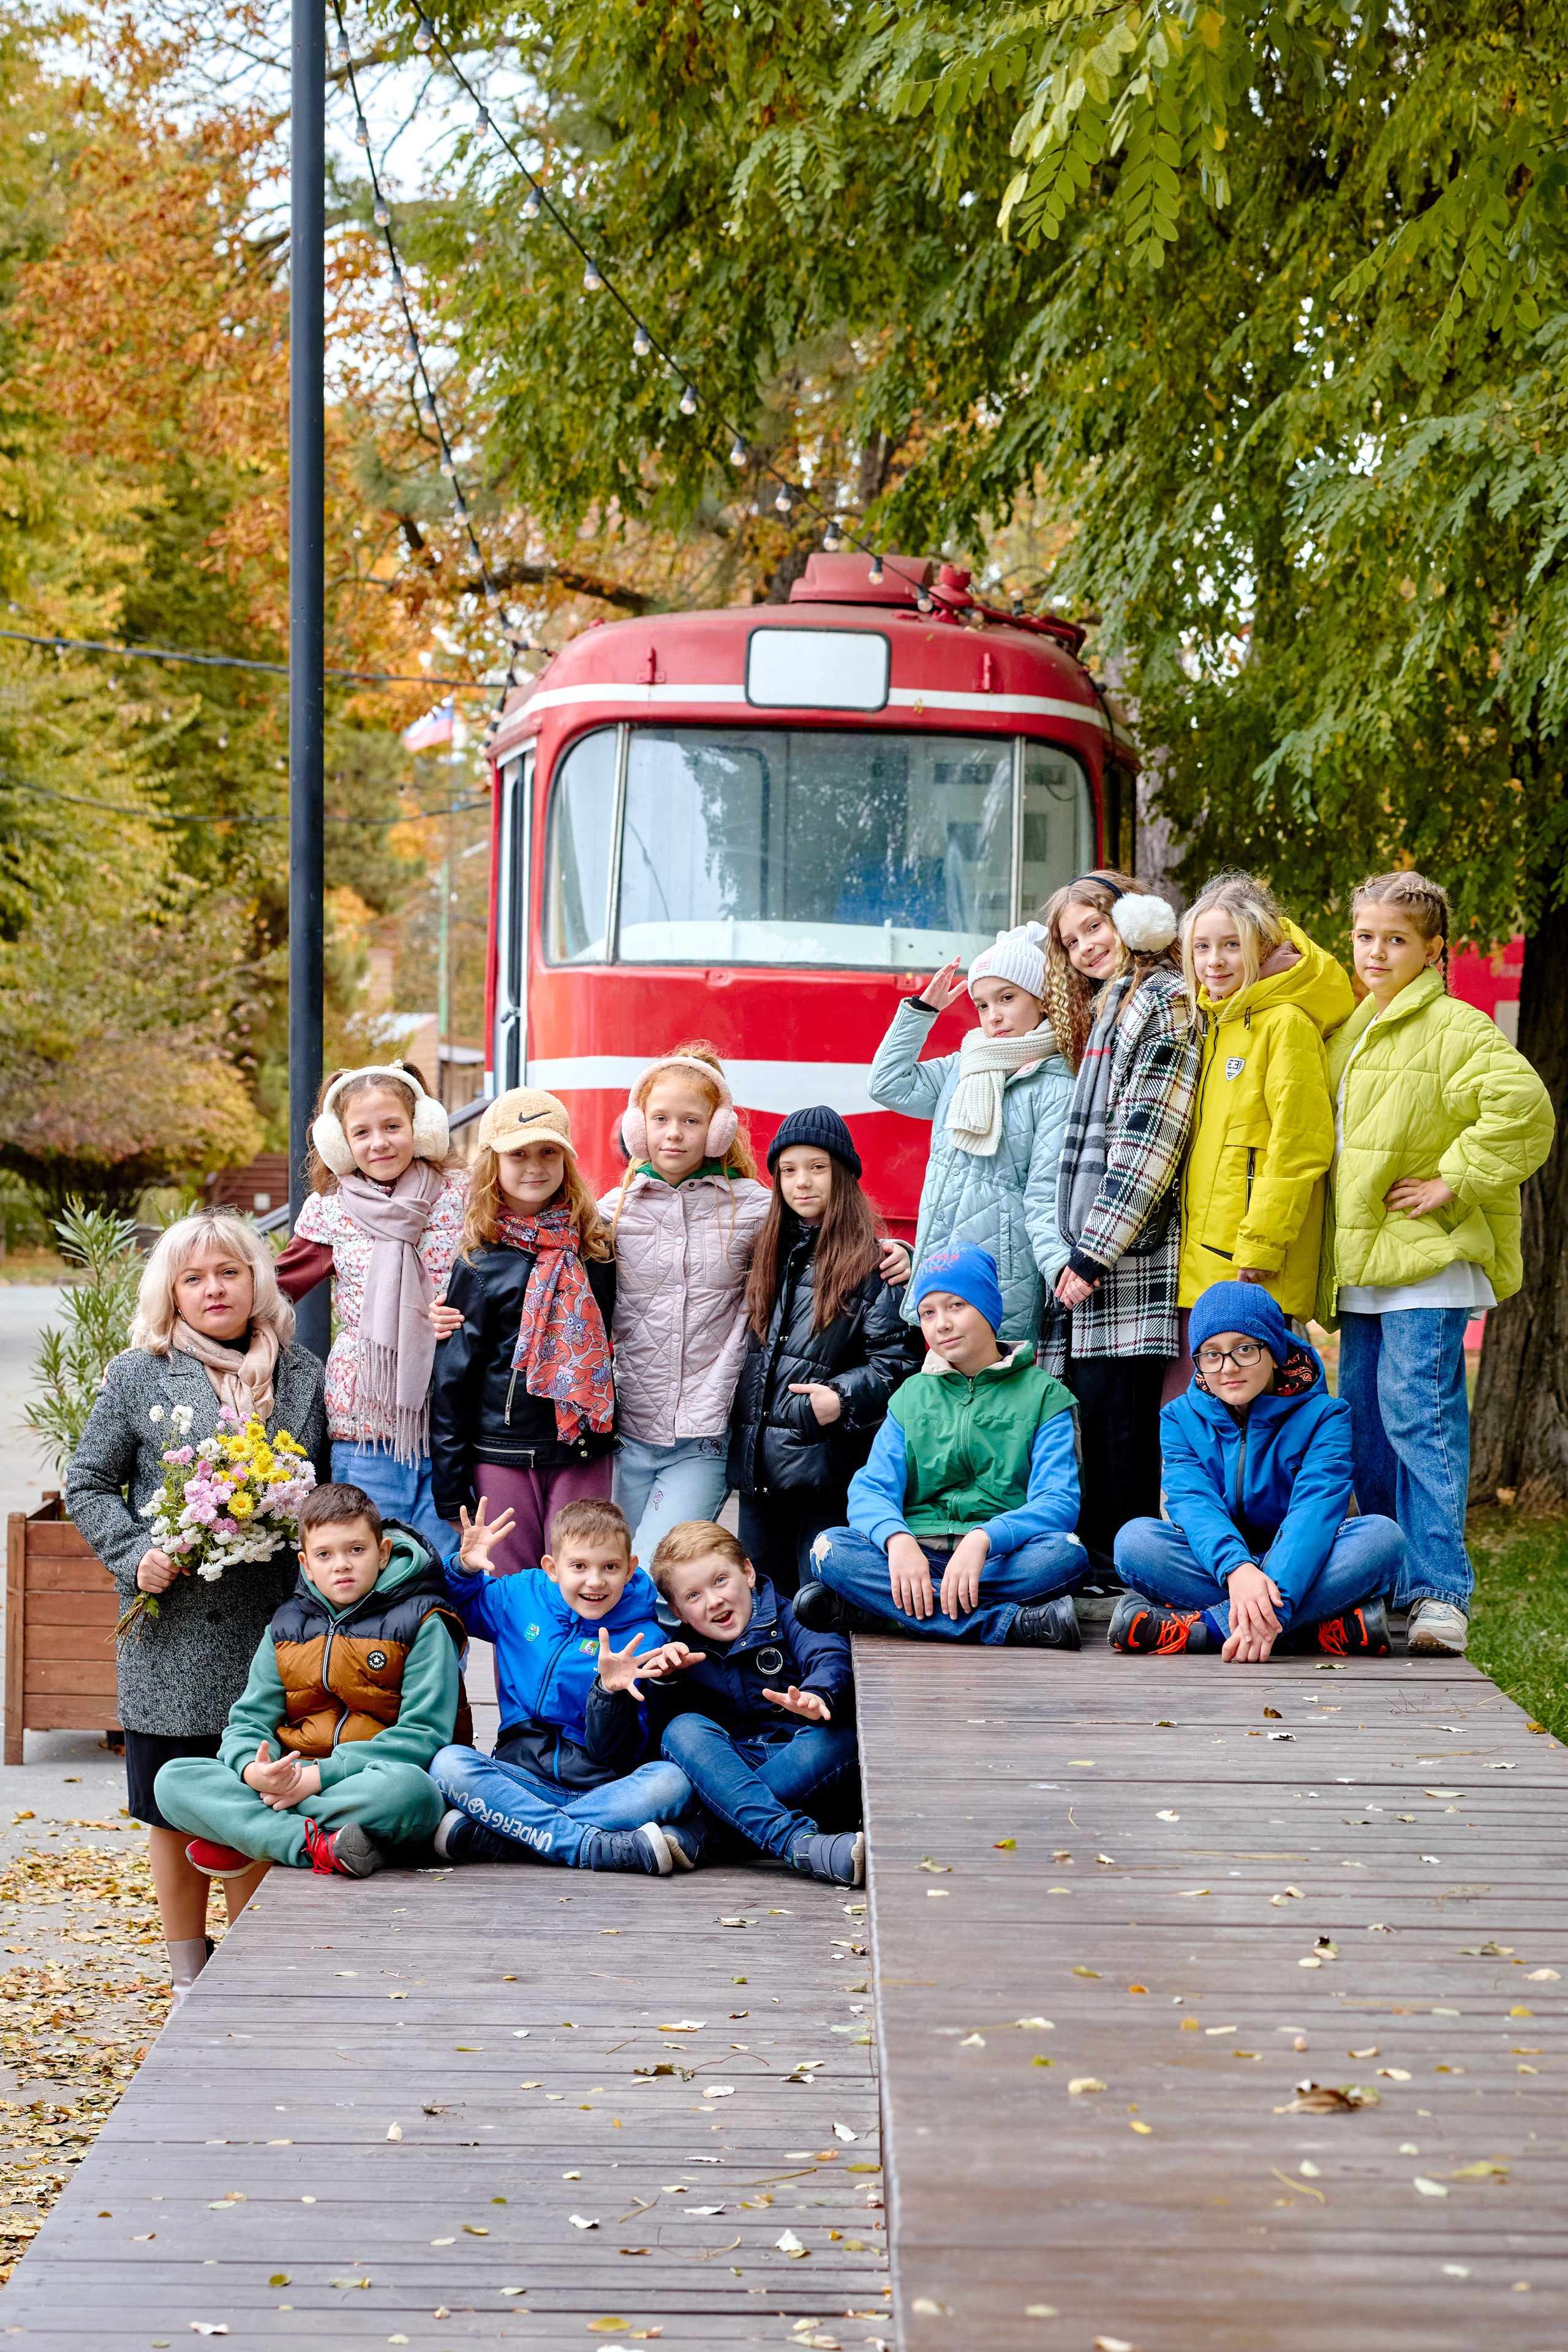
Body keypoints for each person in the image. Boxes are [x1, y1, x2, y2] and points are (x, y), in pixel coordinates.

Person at [66, 1210, 328, 2003]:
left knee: (254, 1793)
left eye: (229, 1272)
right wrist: (134, 1551)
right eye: (194, 1277)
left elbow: (325, 1490)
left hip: (267, 1622)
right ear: (171, 1293)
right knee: (174, 1804)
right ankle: (188, 1975)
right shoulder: (140, 1373)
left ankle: (242, 1978)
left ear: (256, 1281)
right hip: (171, 1620)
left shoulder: (303, 1374)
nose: (214, 1289)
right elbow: (86, 1482)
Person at [1320, 872, 1555, 1656]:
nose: (1376, 951)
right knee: (1363, 1432)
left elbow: (1524, 1108)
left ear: (1431, 950)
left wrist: (1454, 1179)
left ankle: (1438, 1594)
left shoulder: (1455, 1025)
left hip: (1427, 1265)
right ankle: (1388, 1585)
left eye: (1395, 939)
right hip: (1365, 1270)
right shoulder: (1354, 1028)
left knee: (1419, 1420)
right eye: (1364, 936)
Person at [151, 1483, 467, 1880]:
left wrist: (319, 1778)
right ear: (305, 1564)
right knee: (172, 1779)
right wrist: (253, 1771)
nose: (342, 1565)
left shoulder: (424, 1622)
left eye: (356, 1550)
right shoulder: (286, 1625)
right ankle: (317, 1845)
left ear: (383, 1552)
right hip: (291, 1776)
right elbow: (248, 1721)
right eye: (325, 1554)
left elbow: (424, 1735)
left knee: (413, 1793)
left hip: (367, 1782)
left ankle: (250, 1834)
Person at [1037, 872, 1199, 1583]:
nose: (1085, 948)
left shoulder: (1160, 1002)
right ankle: (1107, 1570)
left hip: (1127, 1260)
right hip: (1098, 1257)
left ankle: (1128, 1573)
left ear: (1133, 919)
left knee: (1123, 1430)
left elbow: (1149, 1138)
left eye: (1094, 927)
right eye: (1071, 941)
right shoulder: (1115, 1004)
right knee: (1097, 1424)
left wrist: (1093, 1251)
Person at [796, 1247, 1085, 1646]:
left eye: (956, 1306)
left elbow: (1058, 1501)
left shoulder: (1045, 1396)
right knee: (830, 1548)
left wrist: (985, 1539)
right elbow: (871, 1489)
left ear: (987, 1307)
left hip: (996, 1561)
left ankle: (889, 1613)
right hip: (915, 1557)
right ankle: (1001, 1625)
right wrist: (896, 1541)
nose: (942, 1324)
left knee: (1064, 1556)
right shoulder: (911, 1396)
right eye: (928, 1313)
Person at [1110, 1280, 1404, 1660]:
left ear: (1276, 1352)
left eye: (1245, 1349)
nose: (1228, 1368)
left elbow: (1313, 1513)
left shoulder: (1326, 1417)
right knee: (1135, 1542)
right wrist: (1239, 1571)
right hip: (1219, 1567)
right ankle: (1319, 1627)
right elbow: (1194, 1505)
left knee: (1382, 1538)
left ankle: (1211, 1629)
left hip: (1307, 1560)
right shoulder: (1179, 1418)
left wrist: (1271, 1591)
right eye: (1211, 1354)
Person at [429, 1497, 700, 1873]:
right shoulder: (521, 1596)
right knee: (449, 1763)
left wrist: (609, 1693)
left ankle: (511, 1837)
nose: (595, 1581)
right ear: (552, 1568)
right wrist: (462, 1569)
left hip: (605, 1788)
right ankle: (586, 1845)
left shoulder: (645, 1638)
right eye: (579, 1566)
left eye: (610, 1567)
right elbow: (442, 1604)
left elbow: (619, 1756)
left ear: (630, 1568)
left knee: (671, 1782)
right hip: (521, 1778)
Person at [273, 1060, 467, 1559]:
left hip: (451, 1417)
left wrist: (467, 1313)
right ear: (340, 1142)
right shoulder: (331, 1211)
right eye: (362, 1132)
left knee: (444, 1576)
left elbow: (507, 1281)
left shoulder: (462, 1198)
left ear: (421, 1128)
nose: (379, 1142)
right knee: (369, 1568)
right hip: (366, 1421)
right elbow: (272, 1290)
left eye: (392, 1127)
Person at [601, 1520, 861, 1887]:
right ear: (677, 1610)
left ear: (748, 1572)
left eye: (720, 1580)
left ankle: (703, 1832)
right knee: (684, 1729)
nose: (714, 1601)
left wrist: (818, 1693)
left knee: (840, 1739)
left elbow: (829, 1655)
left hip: (802, 1758)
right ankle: (796, 1843)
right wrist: (669, 1683)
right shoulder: (682, 1652)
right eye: (693, 1596)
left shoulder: (792, 1617)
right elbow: (665, 1746)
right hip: (733, 1763)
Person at [728, 1106, 920, 1597]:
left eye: (817, 1168)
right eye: (788, 1171)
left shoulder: (873, 1264)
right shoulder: (763, 1253)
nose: (802, 1183)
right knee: (763, 1605)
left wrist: (839, 1397)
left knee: (818, 1607)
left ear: (843, 1174)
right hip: (758, 1474)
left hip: (825, 1472)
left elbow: (898, 1364)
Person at [429, 1089, 616, 1577]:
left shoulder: (596, 1251)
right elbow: (452, 1383)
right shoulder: (479, 1264)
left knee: (584, 1587)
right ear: (494, 1164)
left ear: (566, 1161)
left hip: (582, 1448)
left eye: (548, 1152)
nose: (535, 1166)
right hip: (503, 1454)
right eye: (519, 1154)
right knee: (512, 1599)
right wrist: (450, 1491)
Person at [601, 1042, 772, 1566]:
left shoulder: (754, 1206)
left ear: (718, 1129)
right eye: (661, 1119)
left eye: (691, 1120)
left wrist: (894, 1251)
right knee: (611, 1573)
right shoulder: (612, 1209)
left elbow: (827, 1245)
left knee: (653, 1574)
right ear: (638, 1126)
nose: (673, 1133)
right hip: (625, 1432)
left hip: (705, 1435)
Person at [867, 921, 1072, 1346]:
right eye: (982, 1004)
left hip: (1002, 1279)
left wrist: (1058, 1271)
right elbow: (888, 1084)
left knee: (993, 1401)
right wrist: (920, 1013)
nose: (993, 1015)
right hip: (940, 1270)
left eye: (1007, 998)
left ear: (1043, 999)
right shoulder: (964, 1065)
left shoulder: (1057, 1086)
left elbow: (1044, 1195)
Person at [1176, 873, 1354, 1324]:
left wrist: (1263, 1245)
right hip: (1205, 1262)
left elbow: (1302, 1146)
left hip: (1250, 1266)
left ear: (1263, 947)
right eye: (1202, 947)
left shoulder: (1286, 1024)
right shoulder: (1215, 1022)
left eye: (1231, 945)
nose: (1214, 961)